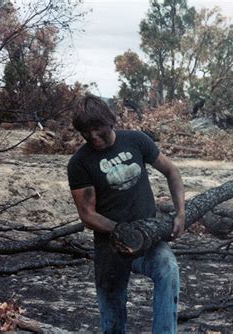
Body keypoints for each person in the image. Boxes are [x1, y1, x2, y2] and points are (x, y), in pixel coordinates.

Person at [67, 95, 185, 334]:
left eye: (97, 129)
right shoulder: (79, 163)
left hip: (149, 236)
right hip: (110, 246)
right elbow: (87, 215)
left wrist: (181, 213)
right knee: (112, 317)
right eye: (85, 133)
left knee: (168, 268)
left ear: (110, 121)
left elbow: (172, 171)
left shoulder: (136, 140)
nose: (93, 137)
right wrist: (121, 230)